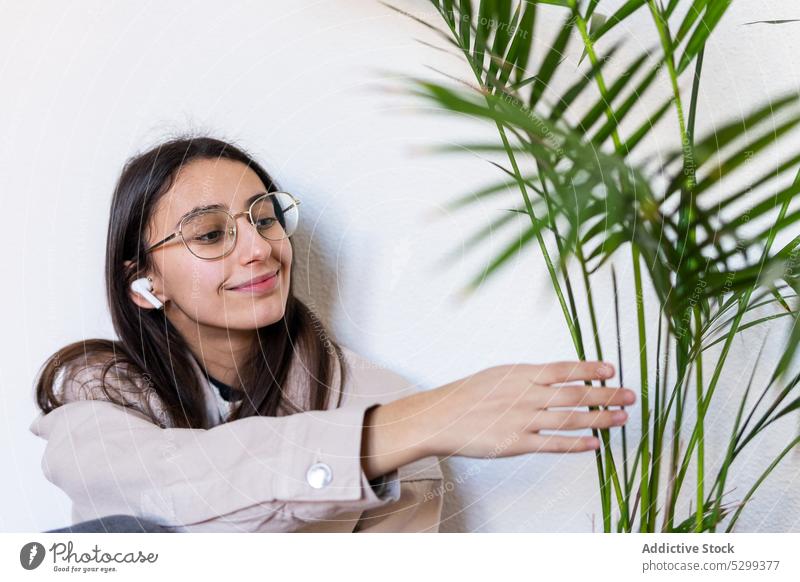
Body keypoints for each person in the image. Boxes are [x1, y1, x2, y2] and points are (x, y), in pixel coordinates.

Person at [30, 135, 635, 533]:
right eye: (211, 235)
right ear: (146, 281)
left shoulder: (378, 397)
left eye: (265, 218)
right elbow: (156, 493)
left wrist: (404, 426)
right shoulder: (100, 390)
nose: (260, 248)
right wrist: (401, 429)